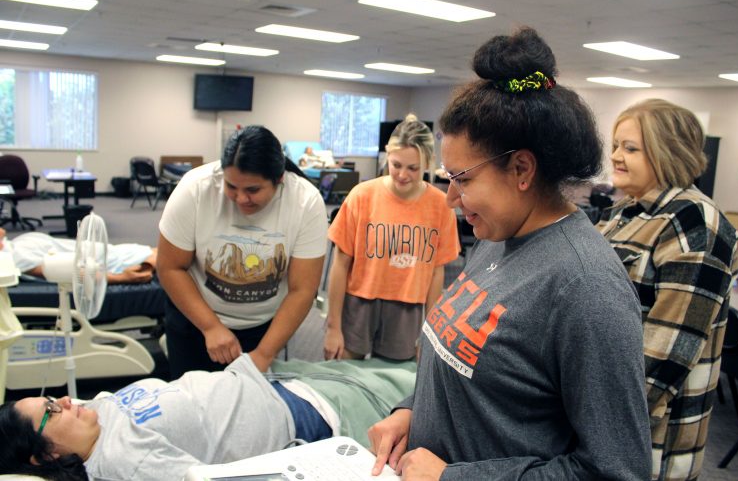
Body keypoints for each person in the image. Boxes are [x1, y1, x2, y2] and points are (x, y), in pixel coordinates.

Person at [368, 27, 651, 480]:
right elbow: (470, 369)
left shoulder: (586, 287)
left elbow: (615, 472)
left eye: (463, 179)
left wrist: (453, 478)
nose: (450, 199)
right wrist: (411, 412)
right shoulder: (498, 235)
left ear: (521, 169)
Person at [596, 99, 738, 481]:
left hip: (649, 437)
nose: (615, 156)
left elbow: (665, 355)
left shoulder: (696, 224)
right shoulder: (622, 213)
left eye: (630, 148)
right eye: (615, 145)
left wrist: (599, 424)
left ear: (667, 152)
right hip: (600, 410)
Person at [0, 354, 416, 481]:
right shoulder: (123, 461)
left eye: (53, 398)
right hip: (307, 414)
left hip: (282, 380)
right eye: (51, 412)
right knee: (423, 387)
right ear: (46, 456)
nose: (66, 402)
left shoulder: (93, 416)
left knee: (406, 371)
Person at [157, 125, 327, 378]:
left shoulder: (306, 202)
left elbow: (303, 290)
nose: (240, 198)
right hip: (195, 321)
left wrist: (264, 354)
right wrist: (210, 327)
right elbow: (170, 267)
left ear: (279, 180)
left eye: (253, 190)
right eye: (231, 186)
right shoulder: (195, 189)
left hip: (262, 329)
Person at [323, 114, 460, 361]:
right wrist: (333, 328)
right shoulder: (361, 196)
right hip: (359, 303)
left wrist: (430, 334)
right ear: (387, 155)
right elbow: (340, 265)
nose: (402, 175)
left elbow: (436, 273)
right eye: (396, 165)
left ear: (428, 163)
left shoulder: (441, 206)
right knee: (344, 375)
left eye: (413, 168)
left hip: (407, 309)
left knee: (393, 384)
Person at [0, 228, 156, 284]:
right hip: (109, 262)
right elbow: (72, 273)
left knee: (162, 252)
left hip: (109, 251)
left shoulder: (13, 245)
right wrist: (122, 278)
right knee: (168, 259)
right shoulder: (15, 257)